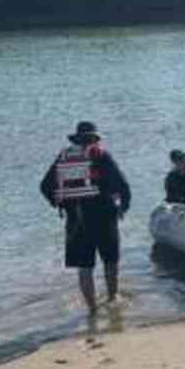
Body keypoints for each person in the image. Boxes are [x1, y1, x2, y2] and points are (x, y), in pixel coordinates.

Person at [39, 121, 131, 316]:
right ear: (94, 139)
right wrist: (123, 207)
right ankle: (113, 299)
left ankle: (92, 310)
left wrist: (59, 203)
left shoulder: (63, 158)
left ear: (77, 138)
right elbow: (123, 186)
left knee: (84, 267)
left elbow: (45, 186)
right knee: (110, 262)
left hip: (76, 220)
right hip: (104, 217)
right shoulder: (101, 156)